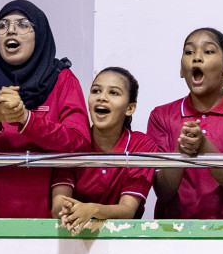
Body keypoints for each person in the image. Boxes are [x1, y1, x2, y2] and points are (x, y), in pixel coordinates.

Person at [0, 0, 90, 218]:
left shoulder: (61, 79)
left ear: (40, 33)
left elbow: (79, 142)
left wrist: (27, 120)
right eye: (2, 25)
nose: (11, 31)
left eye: (23, 24)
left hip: (49, 217)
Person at [147, 28, 223, 219]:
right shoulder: (161, 116)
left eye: (208, 51)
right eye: (189, 52)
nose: (197, 58)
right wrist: (181, 153)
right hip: (172, 234)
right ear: (181, 68)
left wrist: (204, 147)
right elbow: (162, 191)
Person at [51, 67, 158, 234]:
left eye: (113, 93)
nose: (102, 97)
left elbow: (127, 210)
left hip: (124, 241)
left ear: (130, 108)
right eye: (96, 91)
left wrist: (93, 211)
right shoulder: (74, 141)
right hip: (72, 237)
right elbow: (58, 204)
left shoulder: (142, 145)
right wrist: (65, 210)